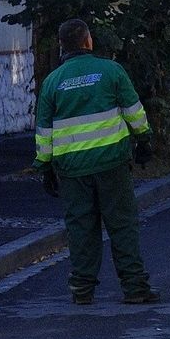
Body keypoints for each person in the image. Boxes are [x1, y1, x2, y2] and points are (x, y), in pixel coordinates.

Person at [34, 18, 157, 305]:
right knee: (122, 225)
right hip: (111, 164)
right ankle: (135, 287)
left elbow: (44, 131)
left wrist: (45, 168)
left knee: (81, 228)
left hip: (72, 170)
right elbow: (133, 111)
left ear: (62, 46)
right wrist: (144, 141)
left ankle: (82, 289)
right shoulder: (111, 71)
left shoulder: (52, 82)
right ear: (89, 42)